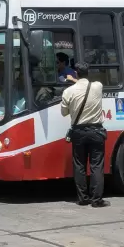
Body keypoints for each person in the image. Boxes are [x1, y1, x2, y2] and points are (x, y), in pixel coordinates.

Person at [61, 62, 108, 208]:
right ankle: (96, 200)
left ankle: (83, 198)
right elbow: (89, 83)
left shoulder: (68, 92)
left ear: (76, 73)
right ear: (88, 73)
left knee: (79, 165)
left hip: (78, 132)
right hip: (96, 131)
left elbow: (64, 113)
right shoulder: (98, 86)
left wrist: (73, 81)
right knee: (96, 165)